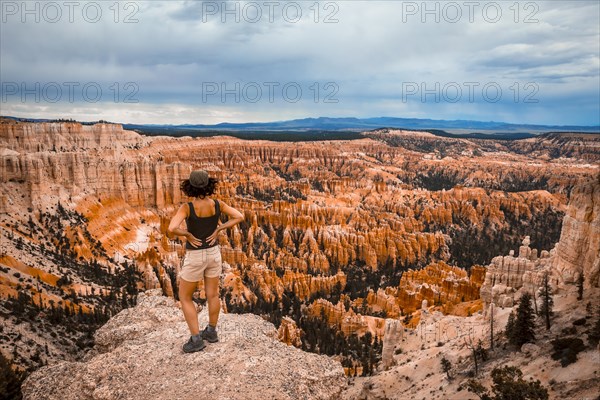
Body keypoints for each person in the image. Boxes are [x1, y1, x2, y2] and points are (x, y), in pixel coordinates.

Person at [167, 170, 244, 353]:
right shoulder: (218, 204)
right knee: (213, 295)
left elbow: (171, 228)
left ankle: (196, 340)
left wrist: (186, 234)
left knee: (185, 297)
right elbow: (239, 216)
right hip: (214, 253)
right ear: (208, 185)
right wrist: (219, 230)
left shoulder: (187, 208)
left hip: (195, 255)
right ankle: (211, 331)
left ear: (190, 187)